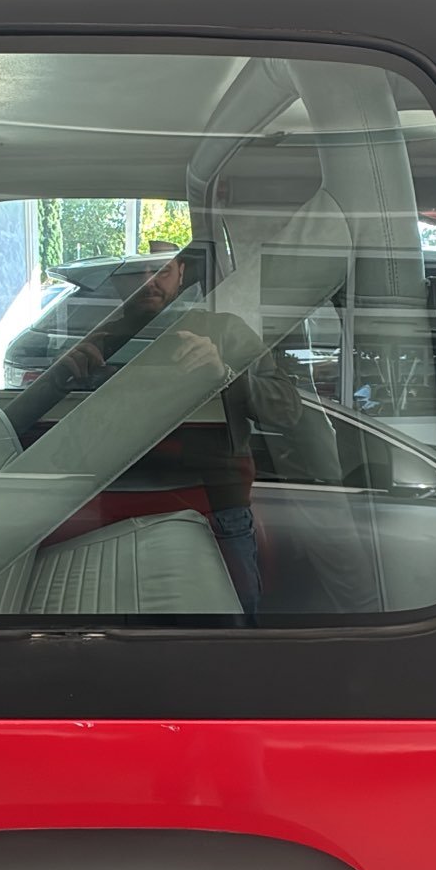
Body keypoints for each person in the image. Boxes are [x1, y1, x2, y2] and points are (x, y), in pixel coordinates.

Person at [56, 253, 301, 615]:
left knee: (234, 619)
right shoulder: (101, 339)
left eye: (162, 269)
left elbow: (287, 409)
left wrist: (224, 373)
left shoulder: (224, 331)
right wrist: (66, 380)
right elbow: (70, 441)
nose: (148, 280)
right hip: (113, 501)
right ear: (117, 280)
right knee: (121, 620)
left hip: (215, 507)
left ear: (181, 273)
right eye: (135, 272)